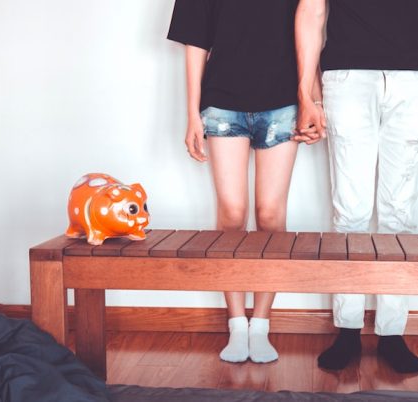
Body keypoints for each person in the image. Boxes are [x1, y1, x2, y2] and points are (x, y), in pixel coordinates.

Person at [294, 0, 418, 373]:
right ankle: (348, 329)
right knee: (350, 211)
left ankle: (391, 332)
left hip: (412, 79)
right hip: (347, 77)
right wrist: (307, 93)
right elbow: (311, 11)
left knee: (398, 214)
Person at [168, 0, 300, 364]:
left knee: (271, 215)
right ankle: (237, 324)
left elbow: (311, 27)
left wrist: (310, 96)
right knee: (232, 213)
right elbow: (195, 42)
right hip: (223, 100)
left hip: (284, 99)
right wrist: (192, 114)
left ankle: (261, 325)